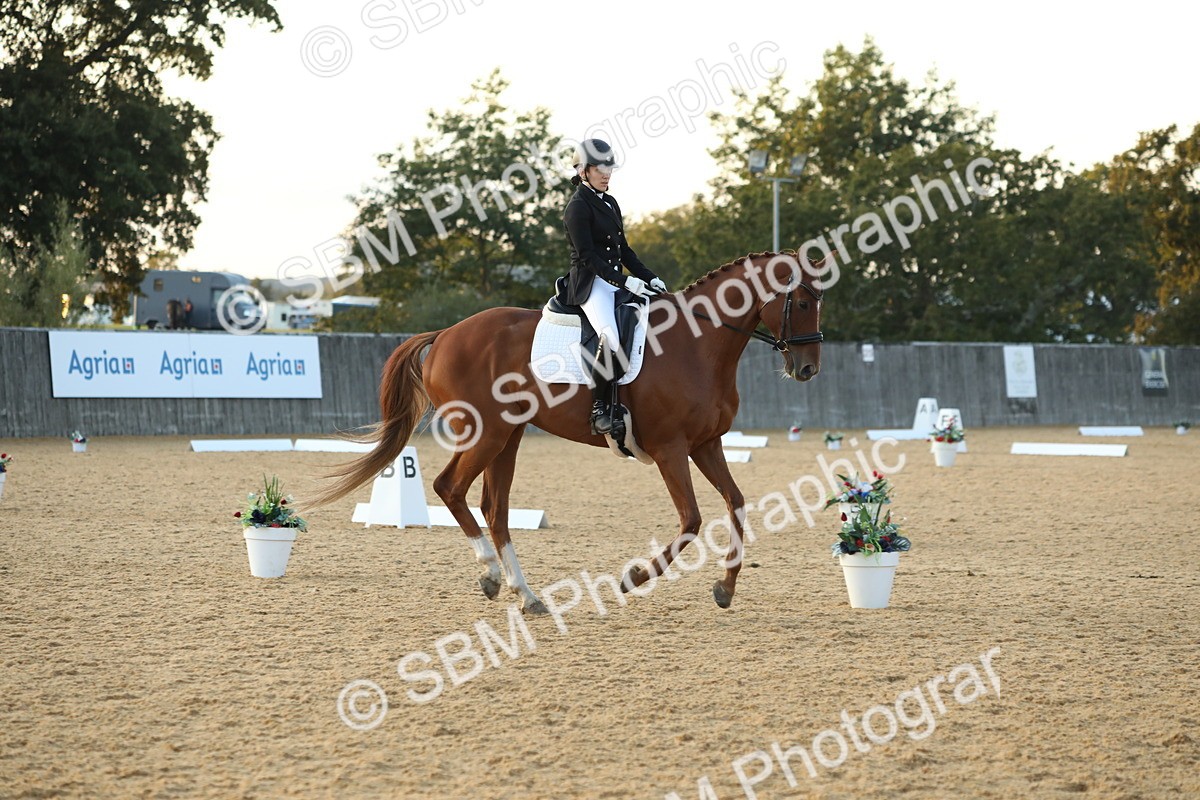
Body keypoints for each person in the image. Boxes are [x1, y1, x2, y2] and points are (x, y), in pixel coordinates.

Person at [561, 138, 666, 435]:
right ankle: (598, 411)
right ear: (583, 171)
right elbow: (588, 257)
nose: (607, 173)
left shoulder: (610, 202)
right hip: (590, 284)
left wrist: (648, 276)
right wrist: (624, 280)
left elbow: (624, 250)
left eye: (609, 167)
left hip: (615, 282)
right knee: (611, 338)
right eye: (600, 168)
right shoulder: (577, 208)